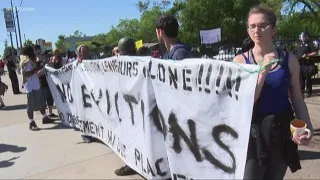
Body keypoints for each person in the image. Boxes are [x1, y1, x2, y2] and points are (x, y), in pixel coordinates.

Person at [233, 5, 313, 179]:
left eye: (262, 25)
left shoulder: (289, 60)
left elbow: (298, 99)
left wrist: (308, 126)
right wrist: (262, 73)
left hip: (282, 131)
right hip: (253, 135)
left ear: (274, 29)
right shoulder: (240, 61)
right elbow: (242, 104)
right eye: (252, 26)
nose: (256, 30)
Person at [114, 37, 138, 177]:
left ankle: (132, 164)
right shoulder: (142, 61)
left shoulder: (126, 64)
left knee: (132, 138)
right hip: (137, 110)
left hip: (132, 110)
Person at [20, 45, 55, 130]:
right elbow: (27, 74)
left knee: (41, 103)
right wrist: (37, 69)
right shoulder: (26, 62)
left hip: (35, 85)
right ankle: (31, 123)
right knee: (30, 106)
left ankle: (45, 117)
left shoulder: (30, 61)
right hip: (31, 87)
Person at [34, 45, 58, 118]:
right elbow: (37, 74)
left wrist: (50, 65)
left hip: (49, 83)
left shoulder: (45, 62)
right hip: (42, 84)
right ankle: (44, 115)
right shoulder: (36, 63)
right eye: (41, 54)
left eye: (43, 54)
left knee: (50, 99)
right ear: (38, 55)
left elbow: (52, 70)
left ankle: (50, 113)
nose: (43, 55)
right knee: (43, 101)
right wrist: (45, 68)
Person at [296, 32, 318, 97]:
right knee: (301, 78)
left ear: (306, 37)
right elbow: (295, 52)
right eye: (301, 37)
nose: (302, 38)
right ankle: (301, 91)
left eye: (303, 37)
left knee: (308, 78)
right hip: (300, 63)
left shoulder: (310, 44)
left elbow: (315, 52)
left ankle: (308, 92)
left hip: (307, 63)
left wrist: (307, 55)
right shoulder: (299, 44)